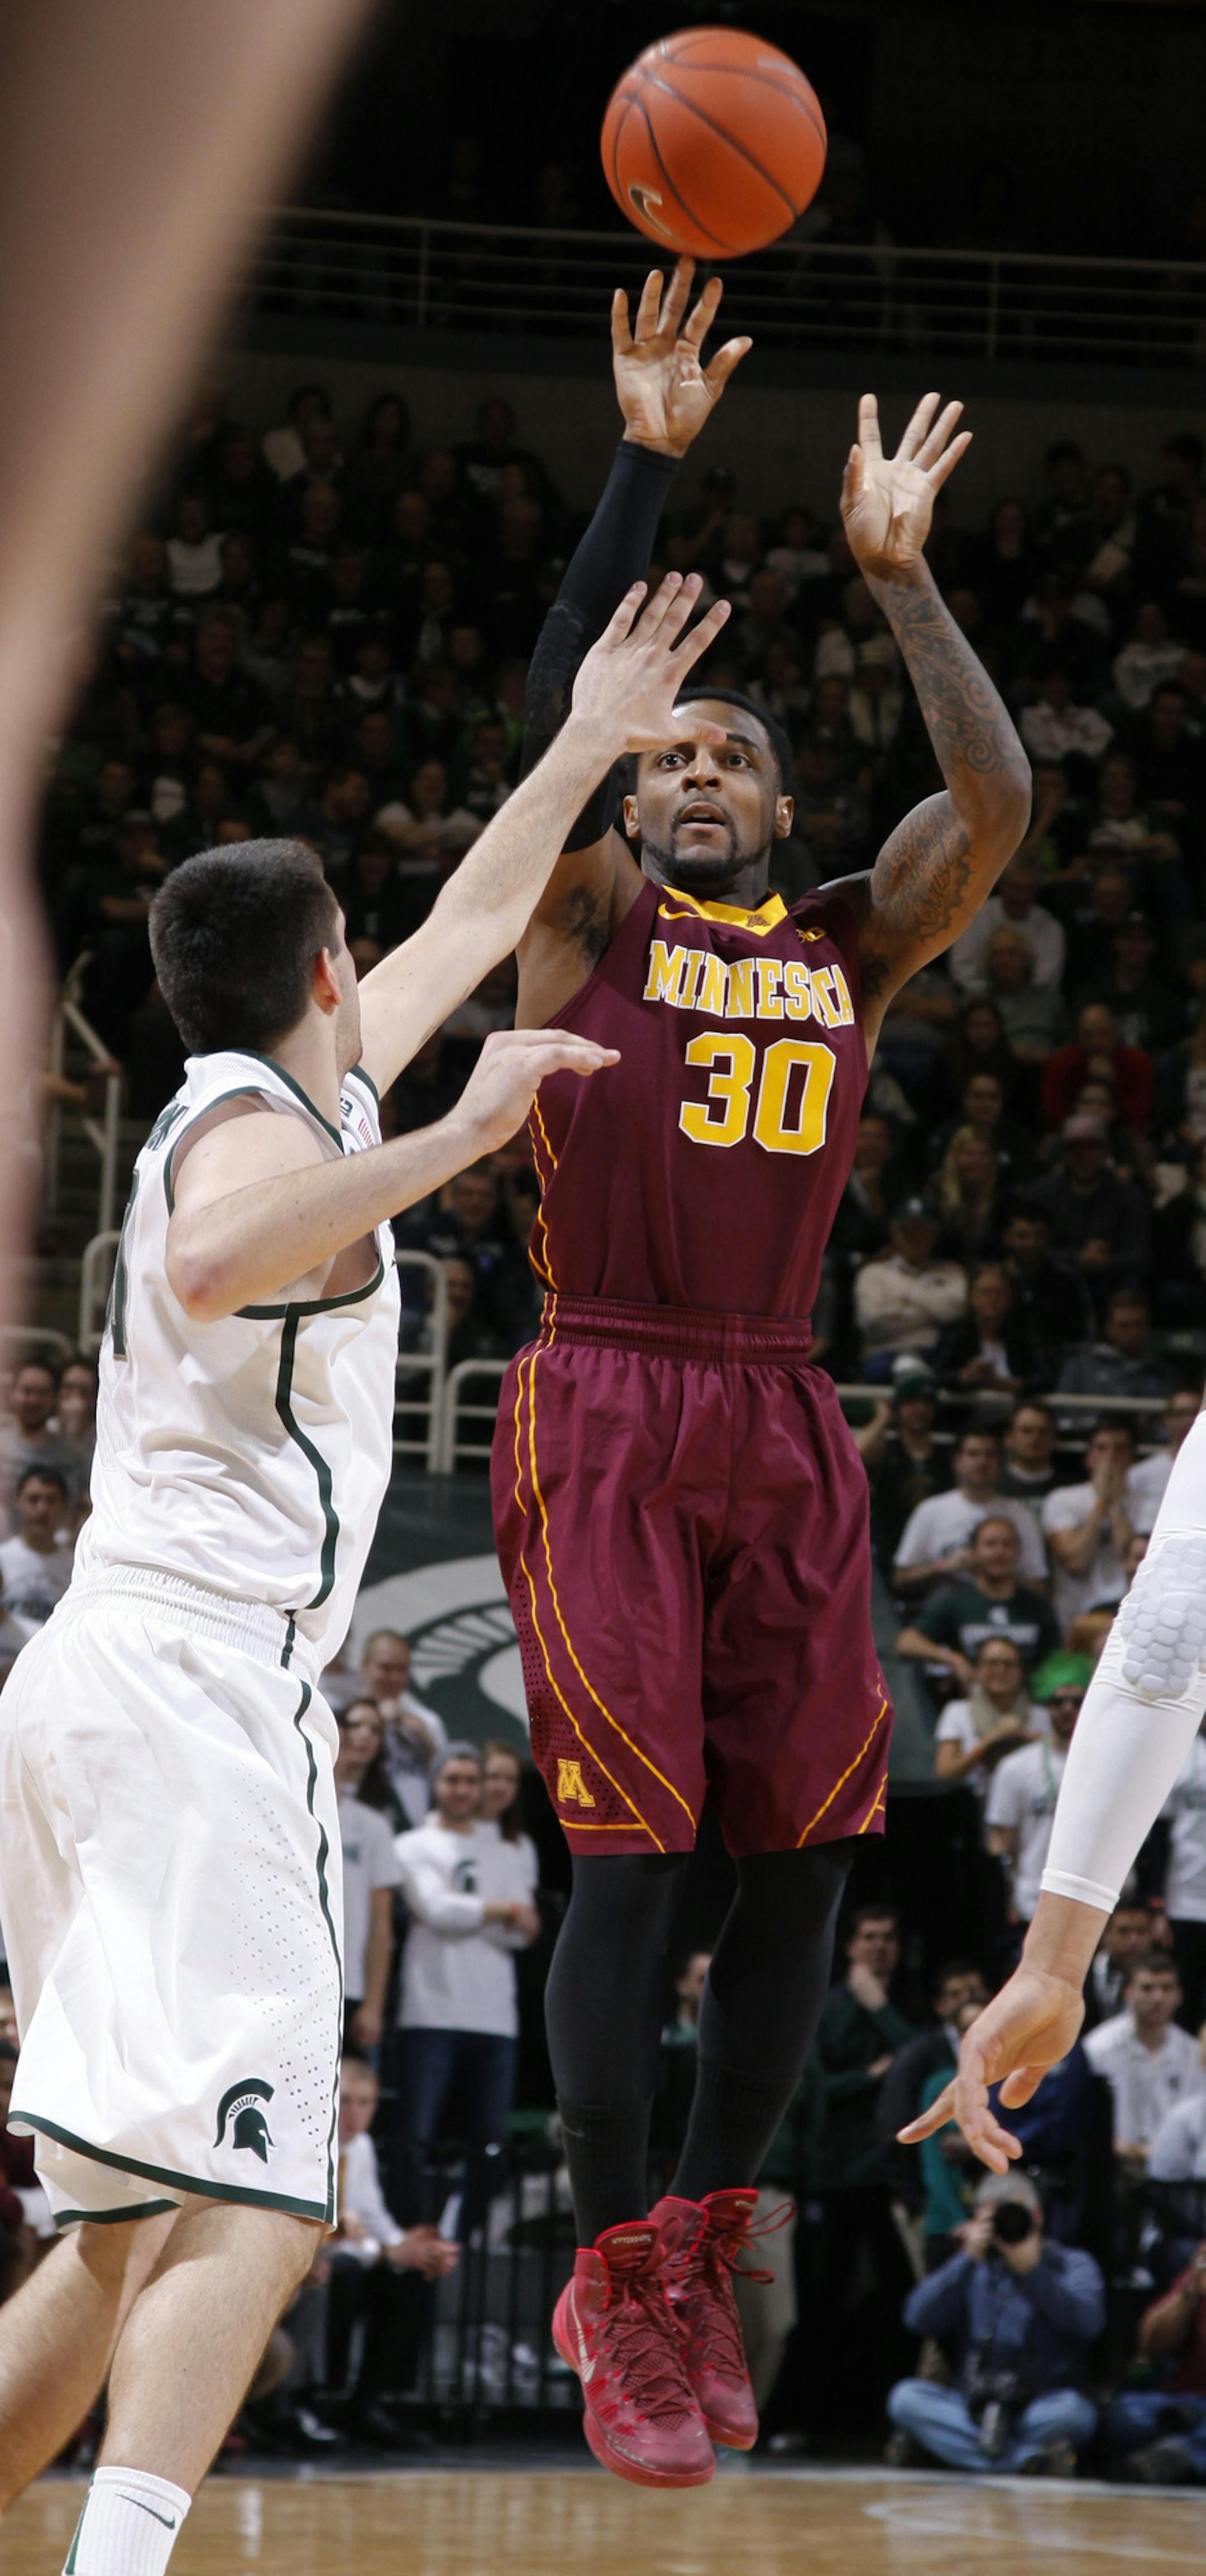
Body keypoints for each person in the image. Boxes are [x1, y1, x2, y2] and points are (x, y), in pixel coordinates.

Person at [0, 570, 715, 2539]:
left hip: (106, 1692)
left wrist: (590, 733)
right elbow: (220, 1258)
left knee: (132, 2227)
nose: (385, 967)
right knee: (266, 2193)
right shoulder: (246, 1129)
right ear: (327, 970)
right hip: (189, 1694)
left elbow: (483, 915)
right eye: (362, 950)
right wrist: (468, 1135)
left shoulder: (278, 1082)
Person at [485, 253, 1030, 2489]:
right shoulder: (585, 918)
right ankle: (616, 2257)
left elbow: (982, 812)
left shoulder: (841, 945)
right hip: (604, 1392)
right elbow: (558, 734)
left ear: (781, 814)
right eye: (677, 754)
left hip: (783, 1407)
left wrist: (903, 588)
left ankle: (707, 2239)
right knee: (631, 1868)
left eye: (734, 757)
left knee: (811, 1854)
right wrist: (648, 466)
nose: (700, 770)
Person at [391, 1744, 539, 2238]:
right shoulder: (413, 1844)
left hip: (496, 2017)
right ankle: (410, 2236)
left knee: (490, 2145)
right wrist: (502, 1910)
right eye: (452, 1779)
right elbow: (436, 1910)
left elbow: (528, 1928)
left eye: (471, 1781)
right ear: (436, 1783)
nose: (462, 1789)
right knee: (416, 2136)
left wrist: (500, 1914)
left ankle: (457, 2237)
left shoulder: (506, 1847)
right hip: (430, 2010)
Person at [887, 2171, 1103, 2474]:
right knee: (906, 2400)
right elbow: (917, 2319)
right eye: (994, 2220)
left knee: (1076, 2414)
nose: (1005, 2228)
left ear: (1037, 2216)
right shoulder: (971, 2267)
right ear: (977, 2221)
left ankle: (958, 2452)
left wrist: (1033, 2273)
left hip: (1039, 2406)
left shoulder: (1072, 2264)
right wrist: (964, 2260)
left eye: (1013, 2216)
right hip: (973, 2406)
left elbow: (1090, 2324)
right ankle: (1025, 2461)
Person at [324, 2055, 457, 2447]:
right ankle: (318, 2398)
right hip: (317, 2258)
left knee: (410, 2278)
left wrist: (413, 2248)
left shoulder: (361, 2146)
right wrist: (388, 2252)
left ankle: (370, 2402)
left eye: (365, 2102)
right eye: (346, 2100)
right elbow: (331, 2232)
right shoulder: (312, 2141)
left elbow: (372, 2215)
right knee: (348, 2272)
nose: (354, 2112)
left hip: (350, 2252)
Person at [897, 1513, 1061, 1695]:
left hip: (1027, 1703)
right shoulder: (956, 1601)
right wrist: (954, 1660)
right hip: (972, 1703)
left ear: (1018, 1552)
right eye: (991, 1544)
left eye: (1007, 1545)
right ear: (973, 1552)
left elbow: (1056, 1659)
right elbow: (907, 1642)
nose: (1000, 1552)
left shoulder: (1037, 1605)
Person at [985, 1657, 1091, 1925]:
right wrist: (1008, 1896)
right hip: (1032, 1898)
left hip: (1090, 1900)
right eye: (1058, 1702)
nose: (1068, 1709)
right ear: (1046, 1705)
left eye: (1077, 1702)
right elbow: (1001, 1842)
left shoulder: (1106, 1765)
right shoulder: (1015, 1767)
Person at [1084, 1953, 1206, 2178]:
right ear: (1128, 1993)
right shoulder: (1098, 2047)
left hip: (1175, 2171)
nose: (1158, 1997)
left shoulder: (1193, 2052)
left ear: (1179, 1995)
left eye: (1166, 1988)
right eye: (1148, 1988)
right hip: (1109, 2165)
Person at [892, 1428, 1047, 1601]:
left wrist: (998, 1569)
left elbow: (1039, 1587)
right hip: (944, 1620)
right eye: (973, 1454)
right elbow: (901, 1579)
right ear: (958, 1460)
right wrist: (944, 1567)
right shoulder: (930, 1510)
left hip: (1007, 1619)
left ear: (1001, 1462)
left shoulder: (1021, 1515)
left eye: (990, 1455)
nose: (982, 1462)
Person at [1105, 2243, 1206, 2486]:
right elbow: (1151, 2344)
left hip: (1189, 2416)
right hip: (1188, 2406)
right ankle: (1191, 2450)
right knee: (1124, 2412)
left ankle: (1184, 2454)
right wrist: (1191, 2291)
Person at [334, 1702, 401, 2053]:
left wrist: (374, 2003)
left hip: (350, 1988)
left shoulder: (373, 1826)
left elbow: (381, 1925)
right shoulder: (285, 1815)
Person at [853, 1356, 949, 1571]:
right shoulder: (885, 1450)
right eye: (911, 1403)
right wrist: (882, 1420)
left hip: (937, 1548)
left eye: (926, 1403)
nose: (920, 1410)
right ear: (899, 1408)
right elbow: (851, 1457)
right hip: (890, 1543)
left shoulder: (947, 1454)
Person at [853, 1195, 969, 1370]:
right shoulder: (873, 1273)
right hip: (885, 1356)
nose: (914, 1235)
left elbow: (956, 1312)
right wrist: (933, 1312)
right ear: (894, 1232)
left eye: (922, 1228)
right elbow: (873, 1322)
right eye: (906, 1228)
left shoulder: (952, 1272)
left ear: (935, 1233)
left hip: (937, 1355)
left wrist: (905, 1298)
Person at [1042, 1420, 1138, 1632]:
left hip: (1129, 1616)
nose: (1111, 1456)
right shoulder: (1062, 1499)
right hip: (1075, 1618)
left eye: (1120, 1449)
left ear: (1131, 1458)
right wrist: (1101, 1504)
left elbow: (1133, 1559)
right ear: (1089, 1457)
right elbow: (1076, 1561)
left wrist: (1114, 1507)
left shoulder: (1147, 1504)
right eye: (1102, 1448)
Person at [931, 1637, 1049, 1797]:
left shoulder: (1042, 1716)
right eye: (992, 1663)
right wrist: (990, 1739)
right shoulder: (957, 1712)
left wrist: (1026, 1736)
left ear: (1021, 1671)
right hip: (973, 1800)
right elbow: (945, 1772)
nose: (1000, 1670)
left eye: (1009, 1664)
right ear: (978, 1669)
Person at [357, 1629, 447, 1828]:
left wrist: (425, 1740)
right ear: (365, 1665)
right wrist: (377, 1723)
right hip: (360, 1827)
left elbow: (448, 1780)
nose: (394, 1677)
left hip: (415, 1829)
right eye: (386, 1668)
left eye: (402, 1669)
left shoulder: (427, 1721)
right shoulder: (347, 1716)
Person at [1161, 1720, 1206, 2027]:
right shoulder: (1181, 1751)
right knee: (1186, 2000)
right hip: (1184, 1898)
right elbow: (1158, 1835)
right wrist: (1155, 1903)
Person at [0, 1468, 75, 1631]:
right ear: (18, 1502)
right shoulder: (2, 1559)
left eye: (51, 1500)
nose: (42, 1509)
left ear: (63, 1507)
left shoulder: (76, 1567)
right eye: (33, 1499)